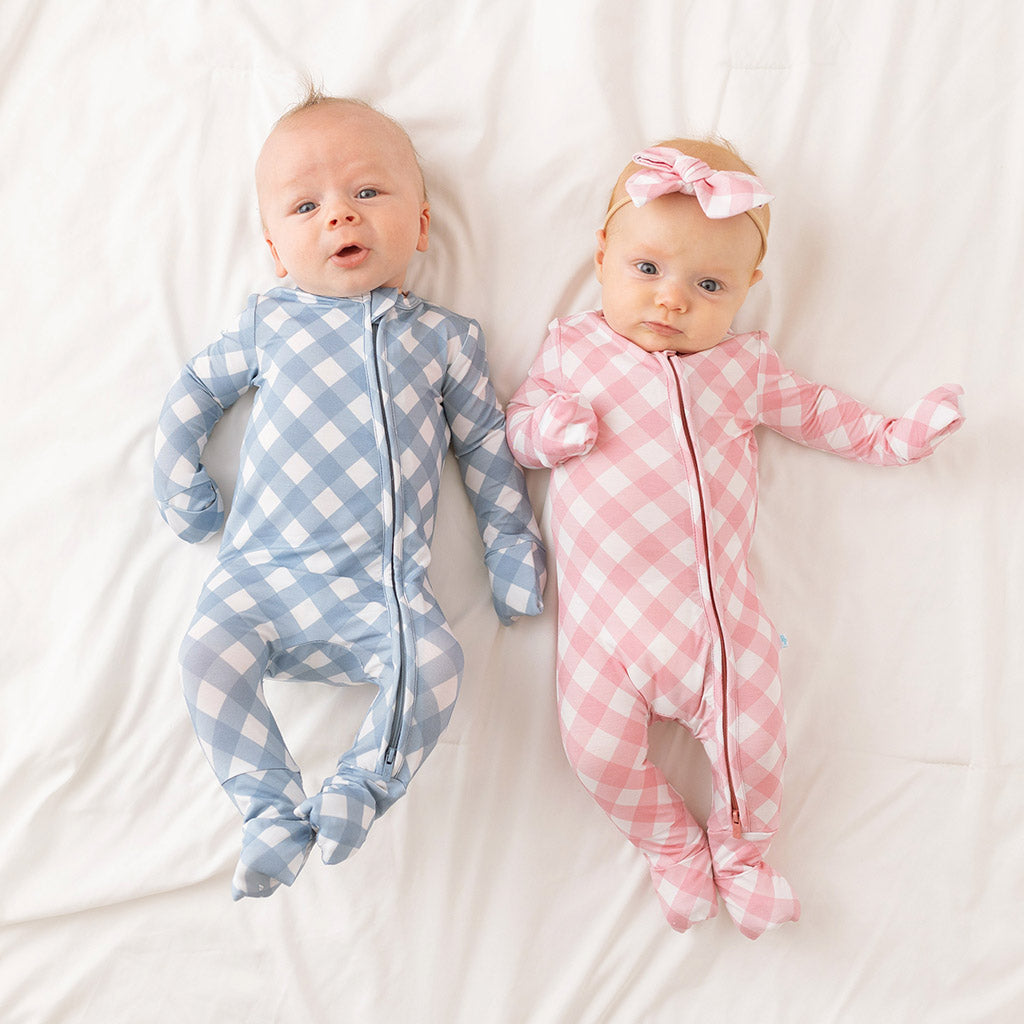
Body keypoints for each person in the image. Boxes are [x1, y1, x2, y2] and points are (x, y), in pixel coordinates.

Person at [505, 139, 963, 939]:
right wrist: (548, 429)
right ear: (603, 255)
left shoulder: (742, 367)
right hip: (604, 631)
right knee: (596, 754)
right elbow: (514, 429)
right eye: (647, 269)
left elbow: (819, 413)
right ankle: (674, 849)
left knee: (756, 751)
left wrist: (894, 437)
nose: (672, 300)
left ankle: (744, 857)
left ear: (748, 290)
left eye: (708, 284)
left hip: (718, 625)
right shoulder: (574, 350)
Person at [154, 91, 546, 900]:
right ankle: (266, 809)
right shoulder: (269, 322)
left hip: (382, 592)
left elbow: (483, 448)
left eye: (368, 192)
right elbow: (195, 389)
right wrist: (177, 477)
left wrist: (512, 546)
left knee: (436, 664)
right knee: (203, 657)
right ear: (274, 247)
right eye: (307, 205)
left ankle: (357, 792)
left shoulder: (443, 340)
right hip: (260, 573)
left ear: (424, 226)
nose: (340, 216)